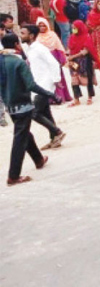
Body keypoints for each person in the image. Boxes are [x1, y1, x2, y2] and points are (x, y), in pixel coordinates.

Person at [0, 34, 58, 185]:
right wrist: (50, 94)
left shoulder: (2, 60)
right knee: (20, 138)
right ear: (16, 44)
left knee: (24, 132)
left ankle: (38, 159)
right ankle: (13, 175)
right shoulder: (18, 62)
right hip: (23, 104)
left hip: (10, 105)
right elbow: (30, 85)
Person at [20, 25, 66, 150]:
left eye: (23, 33)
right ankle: (54, 139)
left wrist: (56, 80)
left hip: (45, 84)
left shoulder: (40, 48)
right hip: (37, 84)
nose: (20, 35)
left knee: (34, 113)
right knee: (46, 112)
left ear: (31, 36)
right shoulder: (29, 49)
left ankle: (57, 131)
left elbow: (54, 63)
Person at [35, 18, 72, 102]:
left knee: (57, 76)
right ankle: (50, 99)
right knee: (47, 78)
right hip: (43, 60)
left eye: (44, 25)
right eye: (40, 26)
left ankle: (61, 97)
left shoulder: (52, 34)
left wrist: (62, 59)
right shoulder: (36, 37)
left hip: (54, 57)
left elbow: (59, 46)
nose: (42, 28)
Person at [67, 20, 98, 106]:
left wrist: (73, 56)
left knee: (88, 78)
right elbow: (70, 48)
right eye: (72, 28)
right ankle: (76, 98)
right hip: (74, 62)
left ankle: (90, 97)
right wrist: (69, 56)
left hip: (84, 61)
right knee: (74, 79)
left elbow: (86, 51)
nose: (73, 30)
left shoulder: (86, 37)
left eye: (75, 28)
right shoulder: (72, 37)